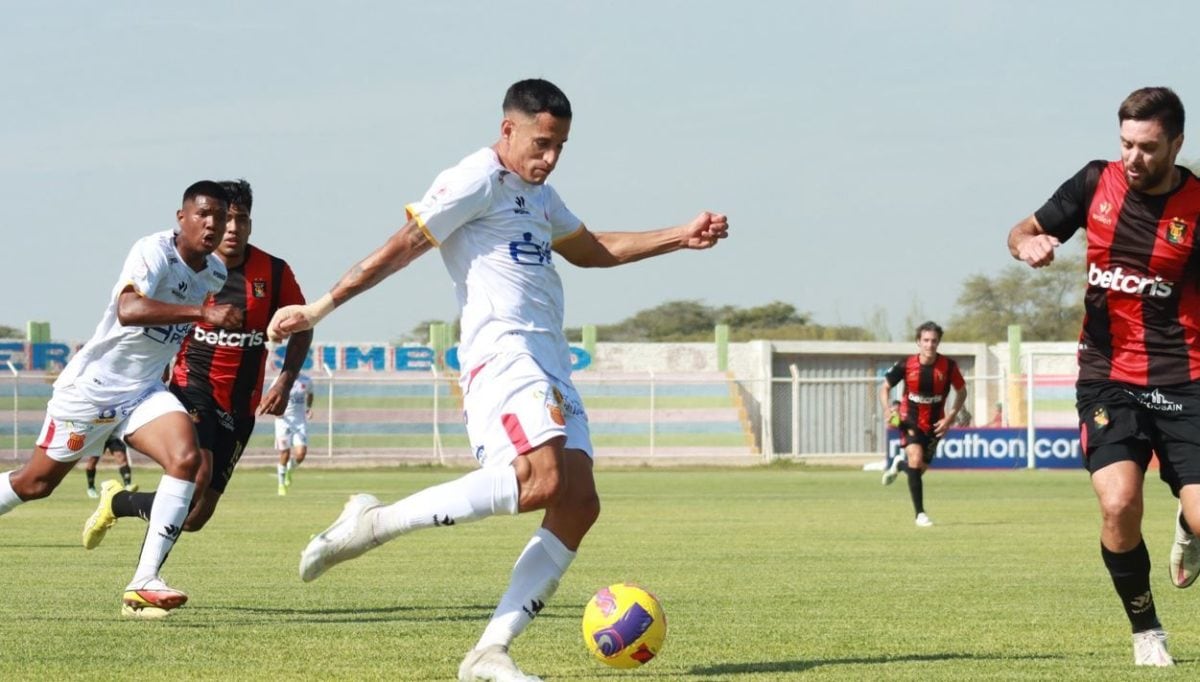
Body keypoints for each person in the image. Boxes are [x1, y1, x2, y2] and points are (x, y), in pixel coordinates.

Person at [267, 78, 728, 682]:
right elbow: (402, 246)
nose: (551, 157)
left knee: (579, 502)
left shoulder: (541, 195)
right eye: (542, 143)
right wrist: (320, 308)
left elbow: (591, 249)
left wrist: (677, 237)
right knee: (540, 478)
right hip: (501, 355)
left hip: (551, 361)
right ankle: (372, 523)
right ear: (508, 129)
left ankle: (488, 653)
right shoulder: (474, 179)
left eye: (560, 145)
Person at [1008, 86, 1200, 667]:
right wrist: (1029, 244)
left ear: (1176, 143)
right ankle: (1146, 630)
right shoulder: (1095, 182)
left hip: (1186, 380)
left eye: (1147, 147)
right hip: (1107, 375)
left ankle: (1189, 523)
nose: (1133, 159)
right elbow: (1019, 230)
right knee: (1118, 504)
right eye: (1125, 144)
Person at [0, 181, 239, 617]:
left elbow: (171, 332)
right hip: (92, 392)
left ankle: (142, 583)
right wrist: (201, 313)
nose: (213, 224)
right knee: (35, 484)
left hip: (144, 392)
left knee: (188, 460)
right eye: (203, 214)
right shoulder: (154, 252)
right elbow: (130, 310)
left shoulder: (215, 273)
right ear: (181, 217)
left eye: (220, 217)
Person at [83, 180, 312, 550]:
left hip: (241, 406)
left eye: (242, 220)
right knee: (198, 473)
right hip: (193, 388)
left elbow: (303, 325)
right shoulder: (191, 271)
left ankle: (117, 502)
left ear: (251, 224)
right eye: (227, 219)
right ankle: (145, 581)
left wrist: (284, 382)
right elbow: (150, 314)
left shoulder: (274, 272)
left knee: (195, 517)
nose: (233, 228)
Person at [878, 321, 966, 528]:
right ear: (918, 342)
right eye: (925, 340)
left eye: (934, 341)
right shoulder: (906, 365)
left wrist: (950, 417)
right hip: (910, 418)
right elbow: (884, 388)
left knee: (919, 468)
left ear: (938, 342)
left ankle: (900, 464)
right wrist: (887, 409)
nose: (930, 345)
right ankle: (920, 514)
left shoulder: (949, 366)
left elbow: (962, 392)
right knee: (916, 460)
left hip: (936, 423)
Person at [274, 370, 314, 495]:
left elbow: (310, 394)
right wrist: (276, 409)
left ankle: (289, 469)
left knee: (301, 454)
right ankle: (281, 485)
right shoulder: (280, 380)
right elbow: (272, 395)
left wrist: (308, 409)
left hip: (299, 421)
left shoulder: (306, 381)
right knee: (285, 454)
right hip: (283, 421)